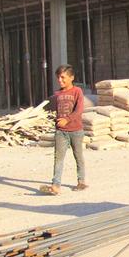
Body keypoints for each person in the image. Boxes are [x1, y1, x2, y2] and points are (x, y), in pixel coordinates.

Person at [40, 64, 87, 195]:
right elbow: (52, 109)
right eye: (58, 78)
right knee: (58, 158)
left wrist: (68, 119)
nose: (60, 80)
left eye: (63, 77)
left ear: (71, 77)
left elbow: (79, 110)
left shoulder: (77, 91)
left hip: (76, 130)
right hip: (61, 131)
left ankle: (81, 181)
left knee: (78, 156)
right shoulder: (57, 94)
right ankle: (55, 185)